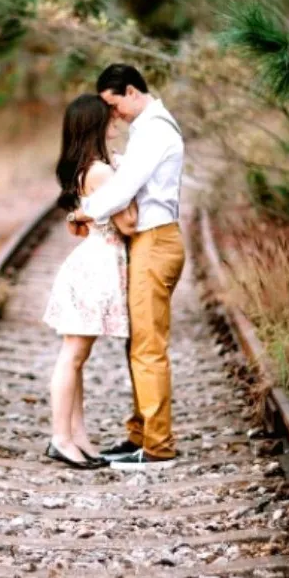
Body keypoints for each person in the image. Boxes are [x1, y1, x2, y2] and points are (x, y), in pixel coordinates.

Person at [71, 64, 185, 470]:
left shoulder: (154, 130)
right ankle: (140, 434)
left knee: (148, 347)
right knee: (137, 342)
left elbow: (123, 190)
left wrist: (84, 212)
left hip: (155, 242)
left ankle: (157, 447)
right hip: (149, 243)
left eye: (112, 103)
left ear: (131, 91)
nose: (112, 114)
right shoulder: (147, 129)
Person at [43, 93, 138, 470]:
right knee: (73, 355)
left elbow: (83, 223)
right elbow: (128, 223)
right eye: (108, 116)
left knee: (77, 357)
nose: (115, 120)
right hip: (96, 267)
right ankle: (60, 438)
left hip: (92, 262)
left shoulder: (92, 166)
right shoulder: (101, 170)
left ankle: (77, 435)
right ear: (95, 125)